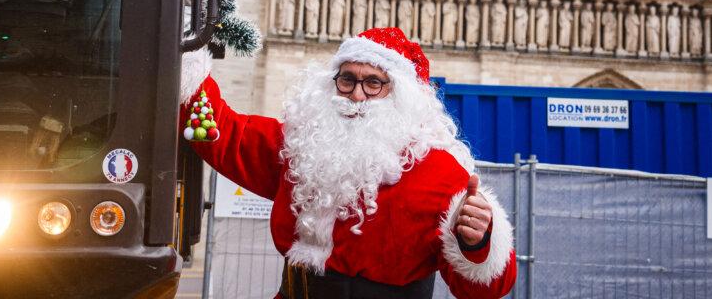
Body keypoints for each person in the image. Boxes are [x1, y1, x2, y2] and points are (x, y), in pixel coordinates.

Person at [179, 27, 516, 298]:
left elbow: (486, 289)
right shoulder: (301, 145)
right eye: (348, 79)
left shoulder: (441, 172)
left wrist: (478, 241)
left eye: (373, 83)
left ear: (400, 94)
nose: (357, 94)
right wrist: (184, 54)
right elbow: (220, 132)